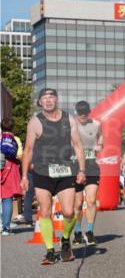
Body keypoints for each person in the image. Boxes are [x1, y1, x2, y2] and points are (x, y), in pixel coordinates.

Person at [19, 88, 87, 264]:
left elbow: (78, 146)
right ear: (40, 102)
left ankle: (65, 239)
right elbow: (28, 150)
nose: (48, 100)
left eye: (51, 97)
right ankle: (49, 250)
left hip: (65, 171)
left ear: (56, 100)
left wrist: (81, 170)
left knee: (69, 212)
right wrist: (24, 176)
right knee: (45, 210)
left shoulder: (68, 119)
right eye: (44, 98)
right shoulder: (35, 122)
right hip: (42, 171)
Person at [70, 101, 102, 245]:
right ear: (76, 112)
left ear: (89, 112)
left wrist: (99, 145)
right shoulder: (70, 124)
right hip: (75, 165)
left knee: (91, 200)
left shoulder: (96, 124)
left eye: (85, 113)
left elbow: (101, 138)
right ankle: (77, 232)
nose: (83, 116)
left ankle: (89, 231)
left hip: (91, 165)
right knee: (77, 204)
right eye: (80, 113)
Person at [1, 117, 23, 235]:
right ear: (12, 127)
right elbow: (19, 155)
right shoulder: (15, 140)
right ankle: (6, 228)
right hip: (9, 169)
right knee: (7, 199)